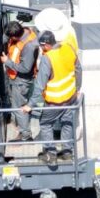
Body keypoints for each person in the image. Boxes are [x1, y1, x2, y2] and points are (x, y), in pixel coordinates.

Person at [22, 30, 81, 164]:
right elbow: (78, 69)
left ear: (46, 45)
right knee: (67, 123)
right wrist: (77, 89)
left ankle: (50, 154)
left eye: (42, 46)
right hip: (71, 98)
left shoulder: (47, 58)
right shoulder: (68, 48)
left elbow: (39, 85)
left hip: (55, 101)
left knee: (45, 124)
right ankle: (67, 153)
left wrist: (30, 105)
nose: (41, 49)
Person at [0, 20, 40, 140]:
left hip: (21, 81)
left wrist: (7, 62)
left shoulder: (29, 46)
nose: (8, 39)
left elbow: (25, 68)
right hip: (14, 77)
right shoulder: (23, 31)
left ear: (15, 36)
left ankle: (25, 135)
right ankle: (18, 121)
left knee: (20, 107)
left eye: (9, 37)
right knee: (16, 103)